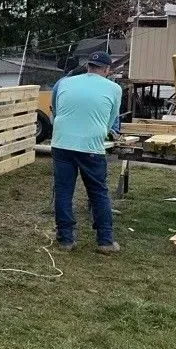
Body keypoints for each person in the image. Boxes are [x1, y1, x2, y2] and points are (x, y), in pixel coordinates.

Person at [50, 50, 122, 253]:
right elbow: (110, 120)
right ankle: (105, 241)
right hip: (91, 146)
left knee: (63, 191)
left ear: (88, 66)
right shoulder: (114, 88)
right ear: (107, 70)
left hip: (62, 143)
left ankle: (65, 239)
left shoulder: (64, 82)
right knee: (98, 192)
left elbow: (56, 110)